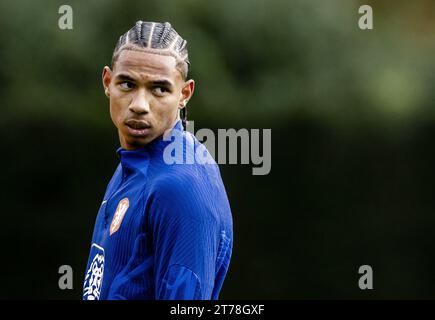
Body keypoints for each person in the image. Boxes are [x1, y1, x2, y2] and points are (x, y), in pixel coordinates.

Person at [82, 21, 233, 300]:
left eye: (159, 89)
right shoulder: (131, 164)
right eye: (127, 84)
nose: (140, 104)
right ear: (107, 82)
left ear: (184, 95)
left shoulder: (181, 187)